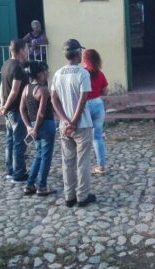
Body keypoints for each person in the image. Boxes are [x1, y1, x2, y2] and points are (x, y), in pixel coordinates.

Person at [51, 39, 96, 208]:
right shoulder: (82, 74)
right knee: (82, 162)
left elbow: (54, 99)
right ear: (78, 54)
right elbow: (83, 100)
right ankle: (82, 195)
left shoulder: (58, 73)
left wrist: (64, 119)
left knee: (67, 161)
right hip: (81, 124)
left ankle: (69, 196)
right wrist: (74, 121)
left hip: (65, 125)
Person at [20, 61, 57, 196]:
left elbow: (22, 109)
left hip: (33, 125)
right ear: (40, 74)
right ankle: (42, 186)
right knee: (46, 157)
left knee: (38, 155)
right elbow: (41, 113)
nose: (47, 74)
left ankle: (30, 184)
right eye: (46, 71)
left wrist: (29, 126)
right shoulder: (43, 90)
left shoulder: (26, 89)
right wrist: (35, 128)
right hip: (45, 125)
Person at [0, 39, 29, 183]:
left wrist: (3, 105)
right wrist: (5, 106)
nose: (27, 52)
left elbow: (2, 86)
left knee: (10, 140)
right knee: (18, 142)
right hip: (16, 110)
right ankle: (19, 173)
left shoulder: (5, 64)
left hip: (9, 110)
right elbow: (14, 91)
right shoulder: (18, 67)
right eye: (26, 49)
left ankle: (10, 171)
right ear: (21, 51)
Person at [83, 49, 109, 175]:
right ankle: (101, 165)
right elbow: (105, 91)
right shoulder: (100, 74)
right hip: (98, 104)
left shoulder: (83, 73)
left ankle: (83, 165)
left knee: (83, 137)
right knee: (97, 137)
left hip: (85, 105)